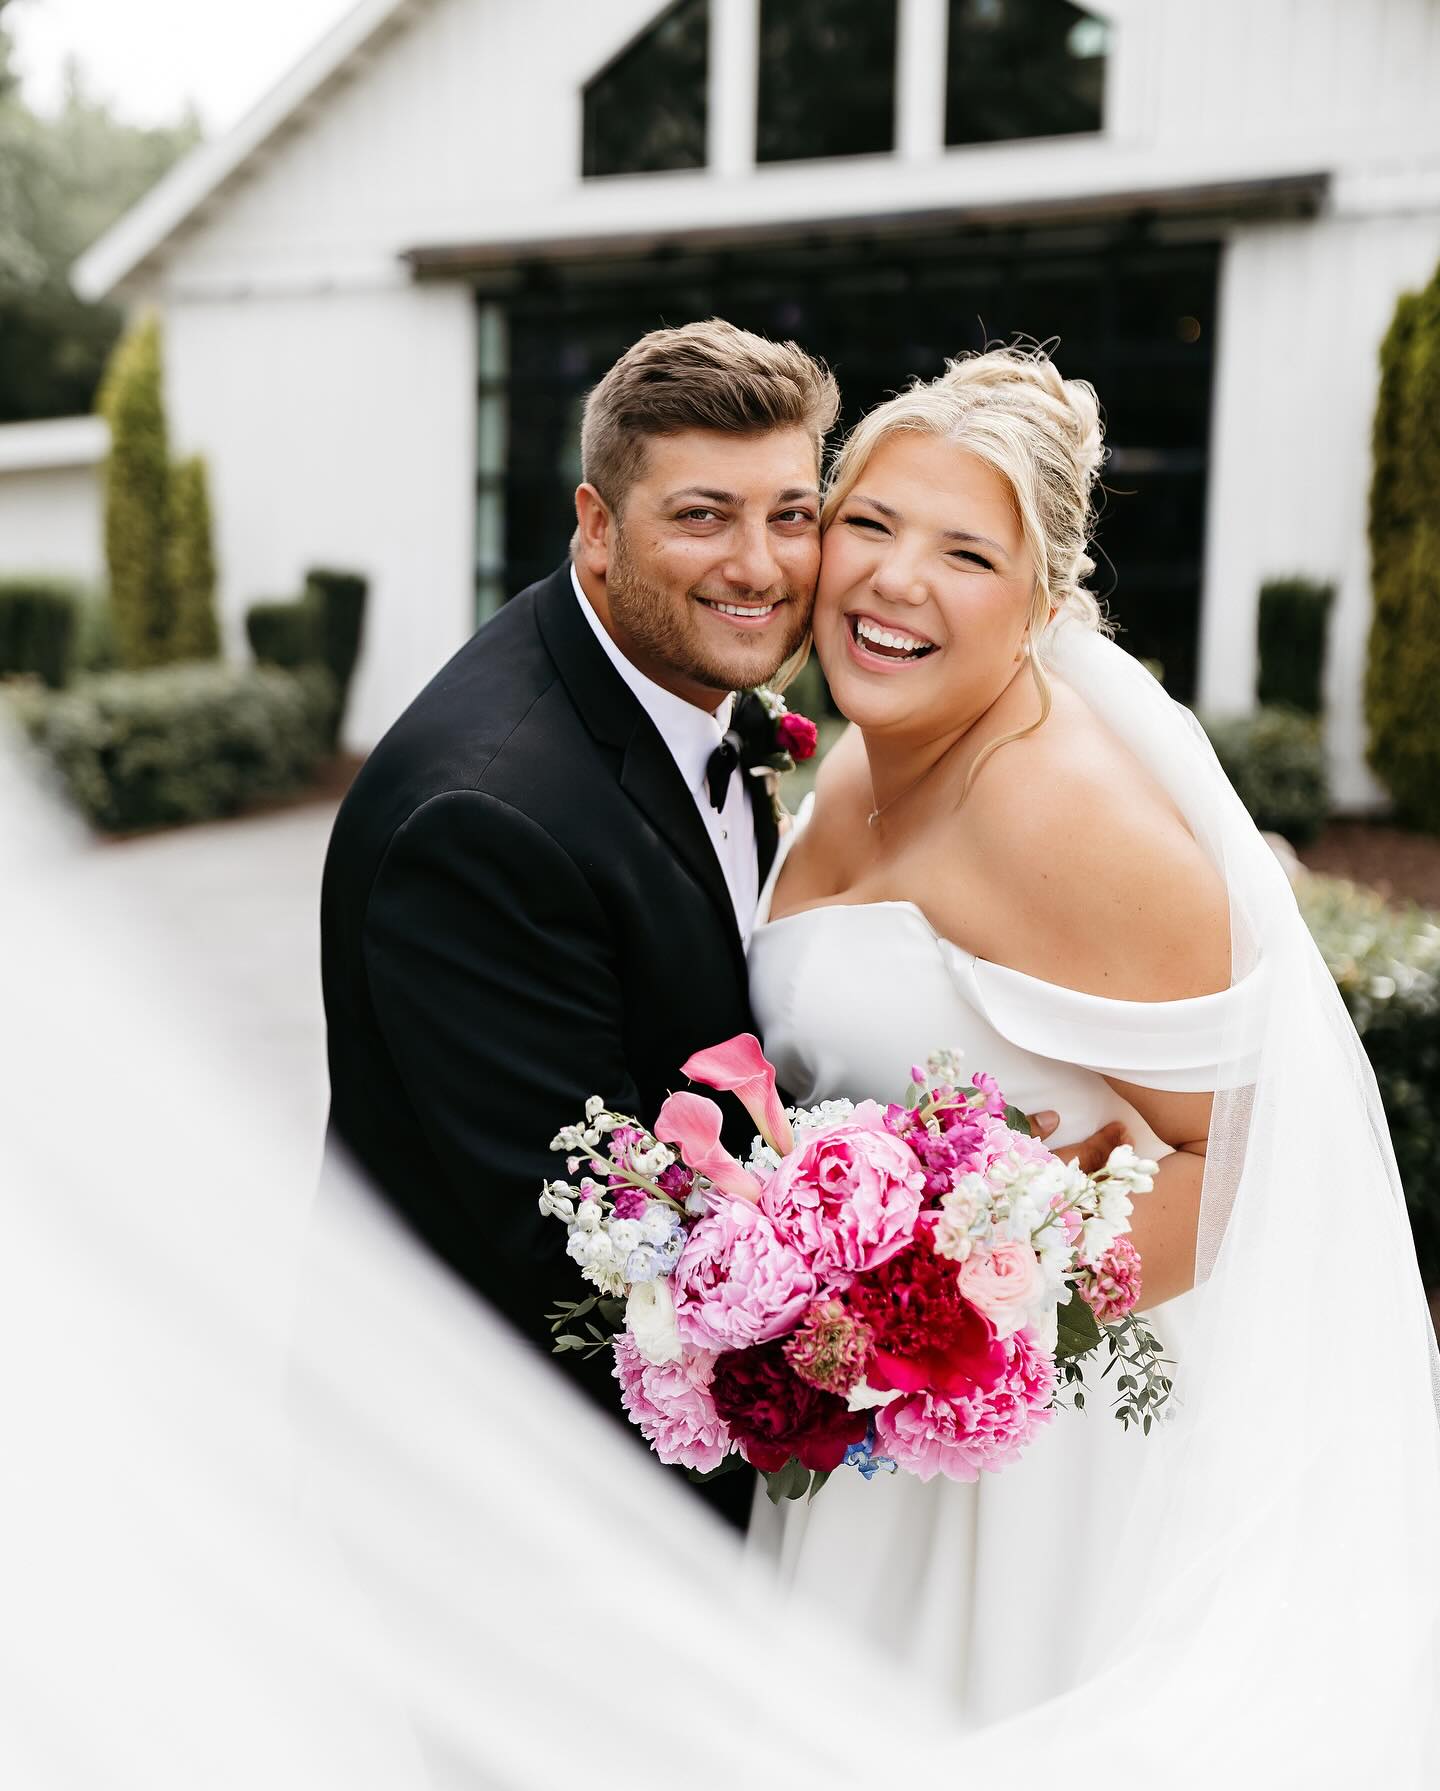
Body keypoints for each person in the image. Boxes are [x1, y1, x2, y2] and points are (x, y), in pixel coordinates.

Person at [745, 347, 1440, 1742]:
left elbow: (1239, 1155)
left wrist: (949, 1325)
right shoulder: (857, 764)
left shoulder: (1059, 813)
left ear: (1045, 604)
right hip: (862, 1425)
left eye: (964, 552)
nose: (891, 580)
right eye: (869, 524)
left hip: (1037, 1461)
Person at [319, 319, 839, 1526]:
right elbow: (591, 1248)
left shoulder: (683, 692)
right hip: (507, 1496)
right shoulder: (483, 823)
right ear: (596, 527)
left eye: (791, 514)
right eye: (702, 516)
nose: (760, 565)